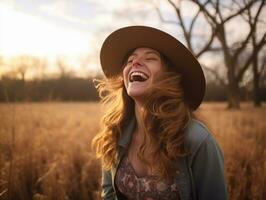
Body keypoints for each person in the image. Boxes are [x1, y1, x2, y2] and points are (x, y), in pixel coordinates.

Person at [92, 26, 227, 200]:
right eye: (130, 60)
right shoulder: (114, 134)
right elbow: (108, 192)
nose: (135, 63)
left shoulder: (198, 141)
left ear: (168, 77)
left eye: (150, 58)